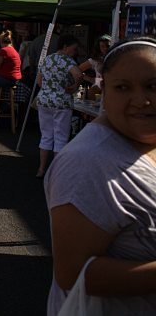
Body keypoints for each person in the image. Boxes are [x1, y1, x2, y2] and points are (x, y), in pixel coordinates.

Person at [44, 36, 156, 315]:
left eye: (153, 86)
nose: (141, 100)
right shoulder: (86, 163)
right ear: (104, 89)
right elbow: (72, 273)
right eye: (123, 87)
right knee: (54, 137)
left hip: (48, 103)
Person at [35, 34, 83, 178]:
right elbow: (78, 74)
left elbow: (39, 82)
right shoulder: (68, 61)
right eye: (74, 49)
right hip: (62, 101)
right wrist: (75, 86)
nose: (75, 52)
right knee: (61, 137)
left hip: (44, 100)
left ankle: (41, 169)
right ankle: (56, 171)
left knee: (46, 136)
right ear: (65, 47)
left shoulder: (47, 59)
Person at [79, 34, 111, 98]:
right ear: (99, 47)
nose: (105, 48)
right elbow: (78, 70)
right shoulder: (96, 59)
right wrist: (90, 79)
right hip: (97, 89)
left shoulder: (116, 58)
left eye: (108, 46)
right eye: (102, 47)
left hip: (110, 89)